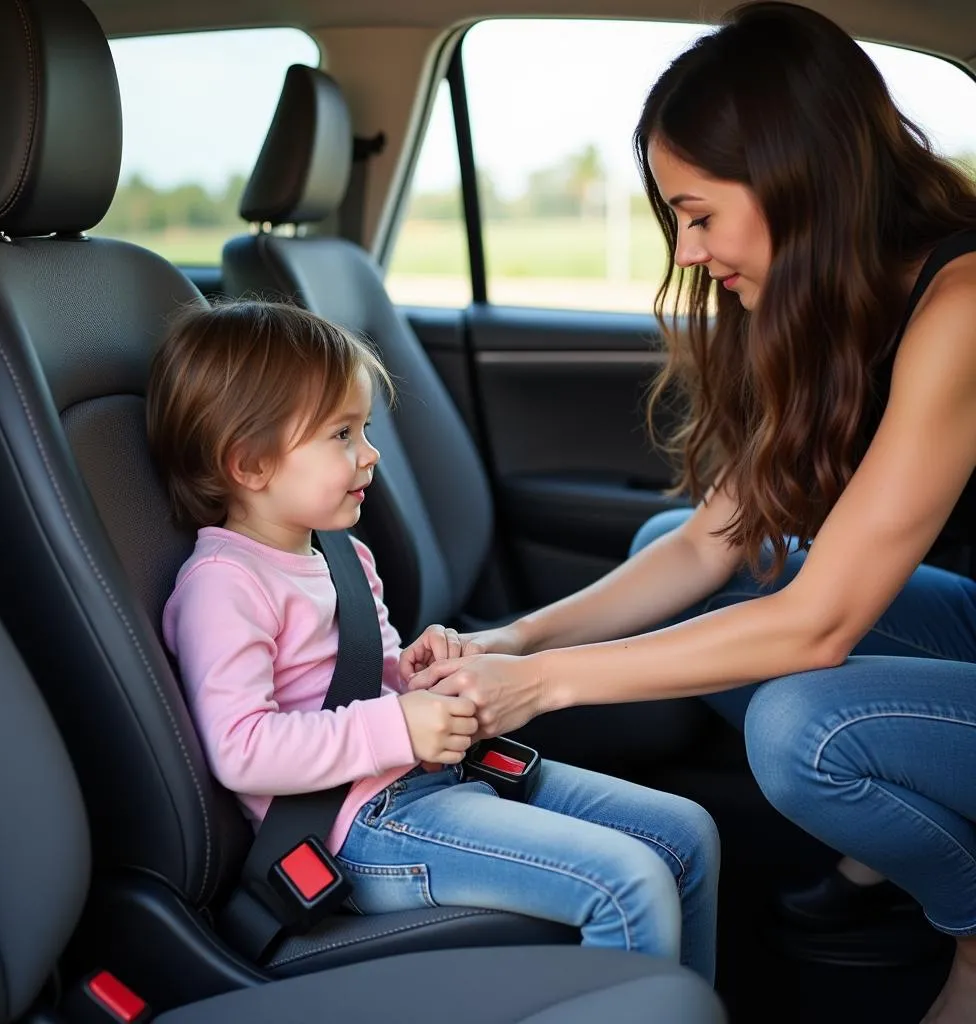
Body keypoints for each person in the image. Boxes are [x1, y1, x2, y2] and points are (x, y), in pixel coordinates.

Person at [404, 4, 976, 1021]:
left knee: (804, 727)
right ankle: (887, 844)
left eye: (699, 211)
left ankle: (969, 932)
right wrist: (512, 634)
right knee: (668, 546)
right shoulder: (828, 304)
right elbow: (717, 537)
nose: (686, 246)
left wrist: (536, 684)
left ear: (798, 177)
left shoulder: (961, 304)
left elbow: (821, 624)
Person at [145, 299, 719, 980]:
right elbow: (242, 751)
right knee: (628, 881)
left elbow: (366, 676)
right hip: (361, 831)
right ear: (250, 464)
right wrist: (398, 725)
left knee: (687, 833)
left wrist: (415, 677)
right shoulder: (224, 584)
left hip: (431, 782)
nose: (371, 453)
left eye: (363, 428)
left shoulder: (342, 555)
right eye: (342, 435)